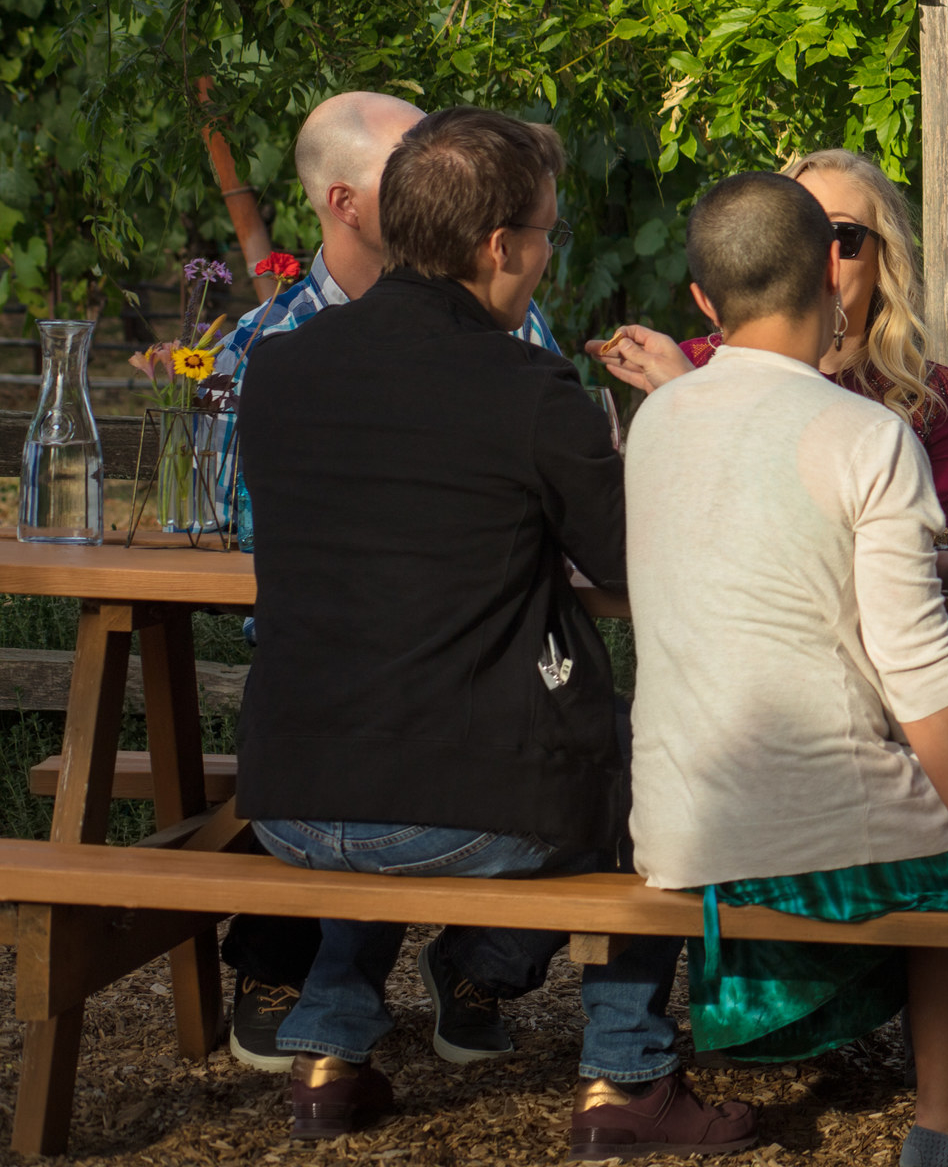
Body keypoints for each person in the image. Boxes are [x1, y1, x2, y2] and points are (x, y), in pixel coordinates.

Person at [232, 108, 754, 1155]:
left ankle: (333, 1049)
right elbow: (631, 561)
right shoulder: (528, 384)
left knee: (394, 721)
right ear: (500, 245)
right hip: (454, 806)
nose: (547, 254)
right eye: (549, 232)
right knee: (665, 753)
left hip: (288, 794)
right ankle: (627, 1074)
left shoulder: (279, 368)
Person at [626, 173, 948, 1167]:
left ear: (700, 301)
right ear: (832, 271)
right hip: (819, 831)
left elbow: (757, 553)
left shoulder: (662, 421)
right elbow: (922, 677)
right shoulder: (868, 432)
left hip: (689, 821)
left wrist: (924, 557)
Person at [206, 90, 575, 1072]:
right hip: (354, 674)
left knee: (414, 687)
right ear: (346, 201)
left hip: (388, 698)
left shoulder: (516, 322)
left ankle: (348, 996)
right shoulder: (260, 348)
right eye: (411, 166)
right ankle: (357, 977)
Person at [591, 148, 948, 597]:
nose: (816, 254)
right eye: (798, 233)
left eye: (841, 235)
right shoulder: (693, 364)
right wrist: (691, 392)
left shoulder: (930, 394)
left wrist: (692, 395)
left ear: (884, 257)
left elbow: (909, 561)